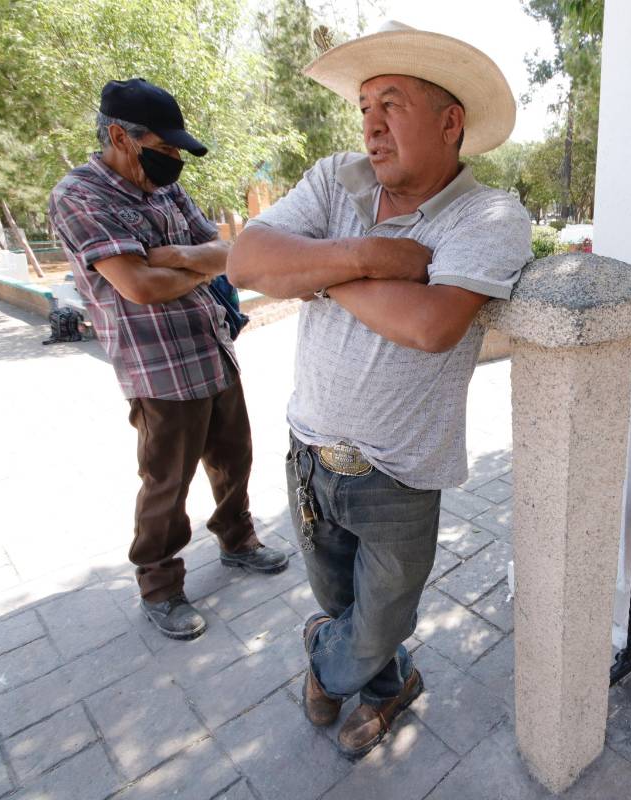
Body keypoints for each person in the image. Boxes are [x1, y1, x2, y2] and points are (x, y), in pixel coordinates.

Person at [227, 22, 532, 758]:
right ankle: (386, 686)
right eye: (364, 106)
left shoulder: (490, 215)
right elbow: (247, 261)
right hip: (308, 452)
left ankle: (328, 661)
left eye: (391, 104)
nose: (370, 124)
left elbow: (430, 324)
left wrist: (314, 274)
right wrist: (369, 255)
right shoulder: (337, 179)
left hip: (400, 473)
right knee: (340, 599)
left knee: (379, 619)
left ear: (450, 122)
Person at [48, 78, 288, 641]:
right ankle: (159, 584)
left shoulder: (164, 188)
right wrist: (189, 267)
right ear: (120, 137)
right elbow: (139, 286)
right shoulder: (80, 196)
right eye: (163, 147)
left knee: (234, 458)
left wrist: (175, 255)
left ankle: (238, 540)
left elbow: (228, 252)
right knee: (166, 482)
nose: (174, 160)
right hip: (157, 367)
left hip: (211, 345)